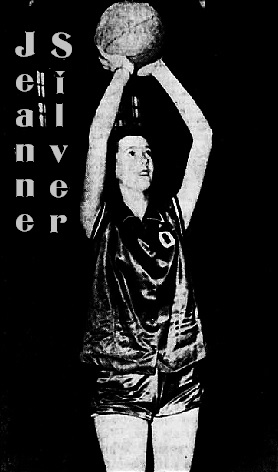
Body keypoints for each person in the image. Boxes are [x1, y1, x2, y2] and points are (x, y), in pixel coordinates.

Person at [80, 50, 212, 472]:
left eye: (148, 153)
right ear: (113, 166)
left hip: (179, 373)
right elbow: (98, 134)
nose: (145, 160)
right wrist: (121, 73)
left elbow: (203, 134)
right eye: (133, 153)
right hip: (120, 380)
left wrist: (160, 71)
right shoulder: (98, 218)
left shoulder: (174, 212)